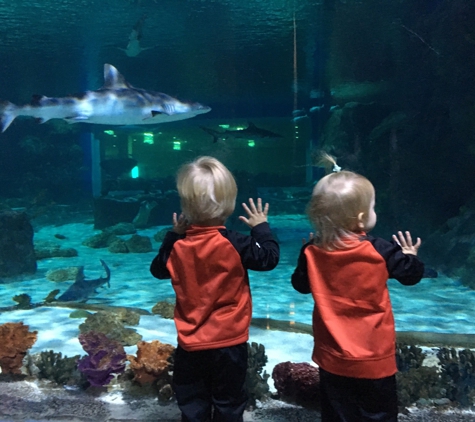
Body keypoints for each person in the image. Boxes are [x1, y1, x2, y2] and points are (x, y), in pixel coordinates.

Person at [291, 154, 425, 422]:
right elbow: (411, 276)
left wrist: (305, 252)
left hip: (333, 357)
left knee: (337, 414)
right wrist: (410, 255)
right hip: (374, 358)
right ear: (362, 218)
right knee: (378, 413)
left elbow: (300, 286)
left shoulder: (312, 251)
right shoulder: (381, 250)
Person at [150, 156, 280, 422]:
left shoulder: (177, 247)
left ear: (185, 206)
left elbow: (158, 270)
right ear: (228, 206)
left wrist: (174, 235)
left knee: (192, 402)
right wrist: (261, 228)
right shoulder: (236, 243)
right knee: (229, 402)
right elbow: (268, 259)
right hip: (229, 343)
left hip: (190, 344)